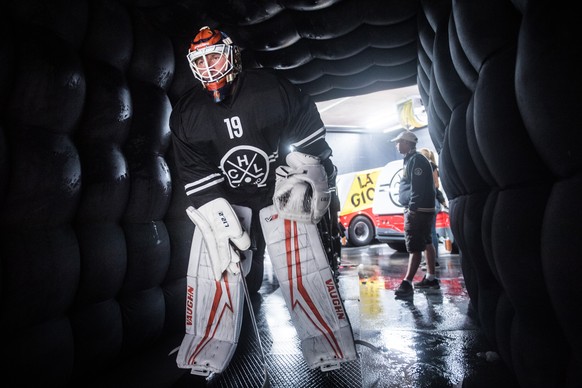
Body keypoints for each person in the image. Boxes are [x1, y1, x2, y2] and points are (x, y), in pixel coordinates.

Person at [169, 26, 356, 375]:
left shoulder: (270, 89)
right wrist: (220, 220)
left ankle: (327, 341)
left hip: (275, 188)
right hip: (230, 197)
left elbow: (309, 141)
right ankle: (208, 347)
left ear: (232, 56)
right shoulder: (186, 114)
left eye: (213, 55)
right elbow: (198, 180)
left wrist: (315, 170)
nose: (208, 66)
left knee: (302, 262)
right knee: (216, 262)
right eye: (200, 60)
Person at [391, 131, 439, 298]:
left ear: (407, 143)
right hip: (422, 210)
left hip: (418, 211)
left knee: (414, 246)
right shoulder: (411, 160)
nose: (397, 145)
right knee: (426, 242)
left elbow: (417, 188)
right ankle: (431, 278)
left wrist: (412, 209)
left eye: (399, 142)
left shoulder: (416, 160)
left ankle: (407, 283)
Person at [418, 147, 447, 268]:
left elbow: (436, 184)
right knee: (428, 232)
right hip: (429, 201)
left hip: (430, 201)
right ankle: (429, 259)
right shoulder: (430, 166)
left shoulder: (430, 165)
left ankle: (433, 260)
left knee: (430, 232)